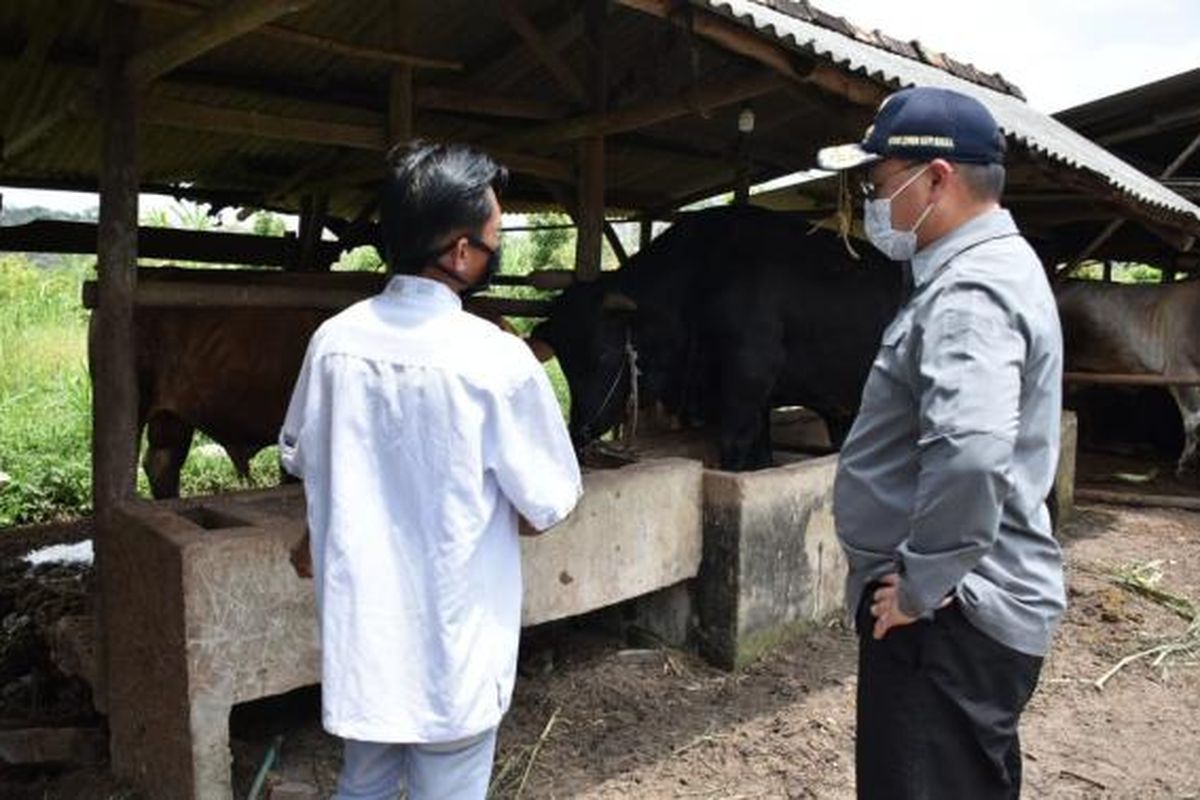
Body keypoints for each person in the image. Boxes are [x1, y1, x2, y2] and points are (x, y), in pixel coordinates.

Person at [279, 141, 582, 800]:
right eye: (495, 235)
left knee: (364, 781)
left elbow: (305, 462)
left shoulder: (332, 344)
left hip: (365, 642)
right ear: (462, 253)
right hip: (455, 646)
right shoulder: (496, 361)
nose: (496, 248)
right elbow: (546, 507)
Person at [817, 86, 1066, 799]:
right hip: (962, 614)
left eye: (880, 182)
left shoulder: (970, 293)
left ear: (936, 178)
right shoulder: (993, 271)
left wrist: (922, 586)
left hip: (947, 623)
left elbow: (973, 451)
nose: (873, 201)